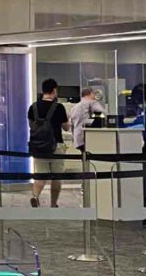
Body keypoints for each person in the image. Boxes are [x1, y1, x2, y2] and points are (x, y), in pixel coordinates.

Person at [27, 78, 69, 208]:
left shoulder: (33, 107)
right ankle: (53, 203)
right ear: (54, 90)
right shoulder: (59, 107)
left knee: (40, 175)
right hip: (56, 145)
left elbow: (31, 126)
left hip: (39, 146)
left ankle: (35, 196)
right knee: (56, 177)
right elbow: (66, 127)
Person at [68, 87, 105, 153]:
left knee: (84, 157)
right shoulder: (92, 102)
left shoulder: (74, 107)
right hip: (87, 137)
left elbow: (71, 123)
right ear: (90, 94)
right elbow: (102, 112)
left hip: (77, 137)